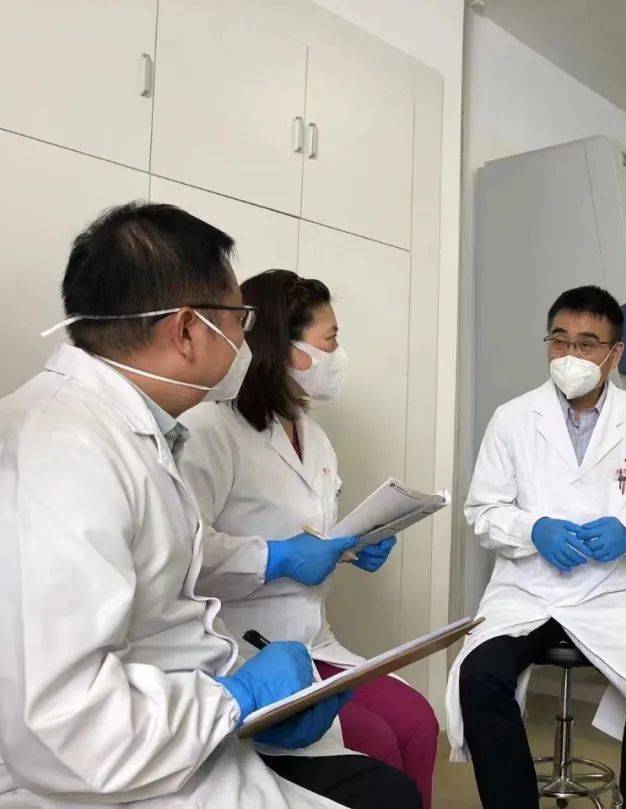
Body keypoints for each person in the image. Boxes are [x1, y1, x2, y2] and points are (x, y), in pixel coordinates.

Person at [0, 202, 420, 809]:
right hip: (107, 771)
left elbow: (170, 572)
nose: (247, 339)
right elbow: (61, 727)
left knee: (384, 782)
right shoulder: (65, 453)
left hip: (178, 722)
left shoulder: (129, 432)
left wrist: (252, 674)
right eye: (238, 319)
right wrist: (236, 699)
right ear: (186, 331)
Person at [179, 268, 439, 807]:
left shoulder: (313, 436)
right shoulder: (210, 429)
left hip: (314, 638)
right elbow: (183, 550)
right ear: (287, 348)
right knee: (375, 740)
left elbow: (310, 533)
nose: (338, 356)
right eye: (331, 340)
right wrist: (275, 558)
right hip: (244, 646)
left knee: (417, 722)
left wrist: (351, 546)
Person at [446, 285, 626, 809]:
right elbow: (483, 512)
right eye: (559, 340)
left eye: (587, 344)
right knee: (479, 676)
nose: (570, 355)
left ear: (615, 354)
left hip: (616, 594)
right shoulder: (512, 418)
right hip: (529, 590)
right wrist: (534, 530)